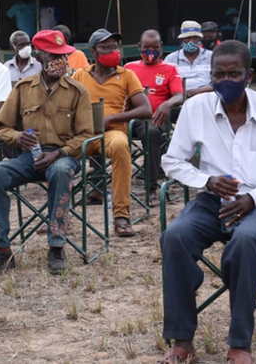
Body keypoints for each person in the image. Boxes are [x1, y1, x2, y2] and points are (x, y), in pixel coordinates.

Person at [158, 41, 256, 364]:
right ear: (211, 75)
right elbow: (172, 161)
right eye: (219, 74)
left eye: (234, 73)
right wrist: (206, 180)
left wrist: (255, 197)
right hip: (213, 200)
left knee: (244, 242)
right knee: (174, 237)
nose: (225, 80)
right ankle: (182, 342)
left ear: (249, 76)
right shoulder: (195, 108)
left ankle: (239, 345)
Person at [0, 29, 94, 276]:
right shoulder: (23, 89)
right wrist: (18, 137)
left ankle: (56, 246)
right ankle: (0, 249)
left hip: (63, 157)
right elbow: (1, 126)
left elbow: (87, 135)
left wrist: (59, 153)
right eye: (54, 56)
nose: (61, 62)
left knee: (62, 171)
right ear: (41, 58)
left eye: (63, 56)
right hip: (29, 156)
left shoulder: (77, 91)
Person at [71, 28, 152, 237]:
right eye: (106, 47)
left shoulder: (127, 75)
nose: (112, 51)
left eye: (114, 47)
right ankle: (57, 216)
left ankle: (121, 216)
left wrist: (112, 118)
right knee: (54, 148)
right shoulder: (79, 75)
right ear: (93, 53)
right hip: (83, 134)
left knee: (120, 145)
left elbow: (145, 109)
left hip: (112, 132)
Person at [125, 29, 185, 193]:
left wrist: (166, 104)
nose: (150, 52)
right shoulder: (129, 68)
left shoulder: (170, 68)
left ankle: (150, 187)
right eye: (146, 47)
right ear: (139, 47)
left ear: (161, 47)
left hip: (157, 118)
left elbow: (179, 96)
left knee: (151, 131)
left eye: (155, 47)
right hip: (134, 119)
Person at [165, 21, 213, 97]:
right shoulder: (171, 59)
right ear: (182, 39)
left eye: (195, 37)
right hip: (179, 100)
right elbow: (165, 85)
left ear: (200, 38)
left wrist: (194, 92)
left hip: (207, 98)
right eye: (188, 38)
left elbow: (218, 84)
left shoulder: (211, 57)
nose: (191, 41)